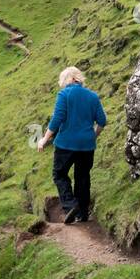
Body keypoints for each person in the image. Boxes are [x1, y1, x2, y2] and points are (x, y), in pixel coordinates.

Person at [36, 66, 107, 224]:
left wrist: (44, 139)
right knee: (82, 177)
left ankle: (70, 204)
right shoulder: (93, 96)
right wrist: (93, 137)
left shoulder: (65, 94)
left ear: (71, 79)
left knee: (59, 174)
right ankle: (82, 213)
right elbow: (102, 121)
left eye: (64, 82)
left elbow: (57, 118)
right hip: (87, 146)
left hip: (66, 144)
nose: (64, 85)